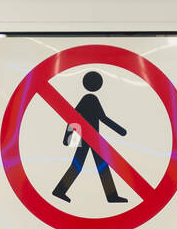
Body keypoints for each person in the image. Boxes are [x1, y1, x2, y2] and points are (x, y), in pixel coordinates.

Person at [51, 70, 129, 205]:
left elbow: (73, 118)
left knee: (89, 165)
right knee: (90, 165)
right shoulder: (91, 99)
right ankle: (60, 190)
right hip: (90, 138)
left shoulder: (88, 99)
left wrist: (68, 137)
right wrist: (120, 130)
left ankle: (61, 190)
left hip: (91, 138)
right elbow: (100, 118)